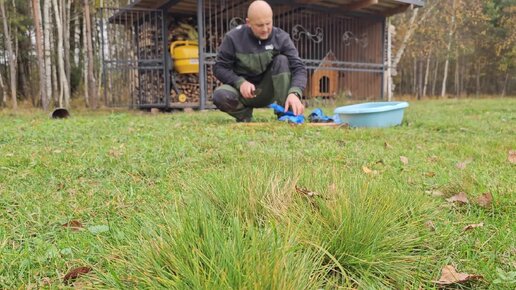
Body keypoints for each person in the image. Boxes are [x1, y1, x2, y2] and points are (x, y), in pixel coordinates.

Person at [213, 0, 306, 122]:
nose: (265, 29)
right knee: (220, 96)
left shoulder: (281, 38)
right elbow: (219, 68)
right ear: (248, 23)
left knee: (282, 60)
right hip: (242, 93)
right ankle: (244, 116)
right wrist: (240, 82)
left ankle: (286, 113)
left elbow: (299, 67)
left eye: (268, 23)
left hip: (269, 91)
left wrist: (295, 92)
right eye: (259, 25)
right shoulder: (233, 38)